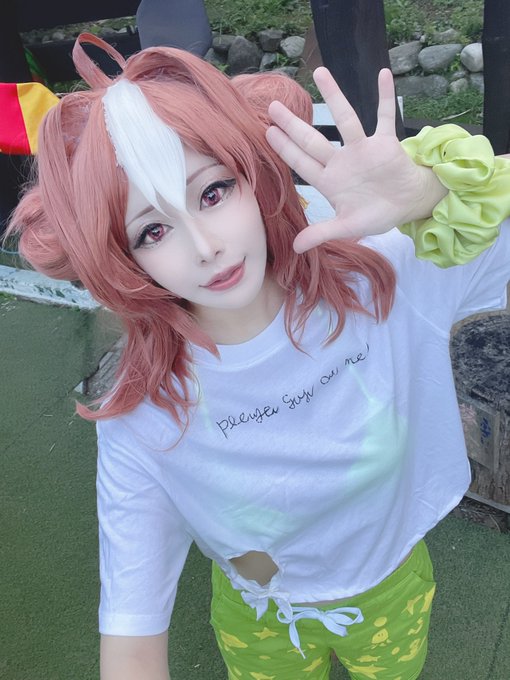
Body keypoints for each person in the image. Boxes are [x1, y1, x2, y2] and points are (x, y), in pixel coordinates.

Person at [6, 32, 510, 680]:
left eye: (212, 192)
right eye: (152, 230)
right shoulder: (144, 410)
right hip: (260, 618)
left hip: (391, 586)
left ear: (254, 173)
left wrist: (434, 194)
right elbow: (131, 629)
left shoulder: (383, 278)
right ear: (122, 259)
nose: (204, 246)